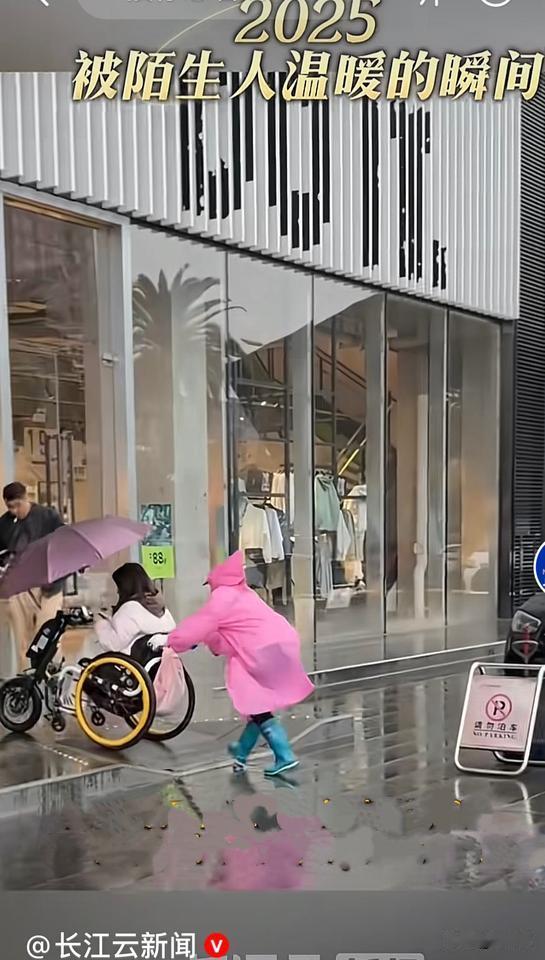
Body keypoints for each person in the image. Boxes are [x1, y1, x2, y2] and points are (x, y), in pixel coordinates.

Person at [167, 550, 315, 777]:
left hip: (259, 651)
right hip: (280, 643)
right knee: (257, 701)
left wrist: (172, 641)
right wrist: (205, 641)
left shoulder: (223, 596)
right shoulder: (243, 594)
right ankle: (242, 751)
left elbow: (203, 623)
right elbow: (226, 632)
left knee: (255, 702)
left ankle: (284, 755)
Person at [0, 482, 64, 669]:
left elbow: (63, 543)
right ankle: (27, 676)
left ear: (26, 498)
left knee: (48, 631)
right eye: (10, 507)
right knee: (23, 637)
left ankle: (52, 670)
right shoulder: (5, 524)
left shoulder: (48, 517)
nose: (14, 511)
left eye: (17, 505)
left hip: (50, 583)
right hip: (20, 587)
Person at [94, 562, 175, 663]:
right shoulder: (160, 608)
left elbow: (113, 644)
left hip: (132, 666)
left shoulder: (130, 609)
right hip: (160, 666)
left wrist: (100, 622)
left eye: (119, 587)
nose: (117, 591)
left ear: (126, 586)